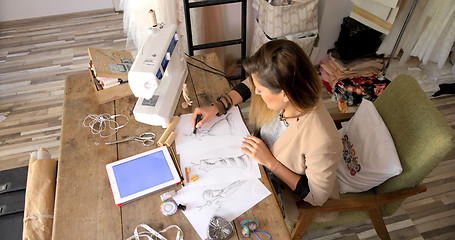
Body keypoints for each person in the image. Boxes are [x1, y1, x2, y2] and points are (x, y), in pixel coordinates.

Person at [191, 40, 342, 213]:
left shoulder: (322, 142)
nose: (256, 92)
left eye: (261, 90)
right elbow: (251, 83)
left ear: (284, 94)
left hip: (285, 188)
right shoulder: (296, 89)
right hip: (257, 160)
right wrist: (219, 106)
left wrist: (270, 162)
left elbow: (317, 197)